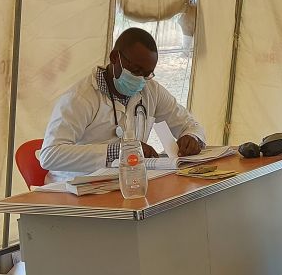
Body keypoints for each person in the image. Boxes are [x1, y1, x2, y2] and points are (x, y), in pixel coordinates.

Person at [39, 27, 207, 182]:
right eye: (136, 70)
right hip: (73, 190)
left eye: (147, 74)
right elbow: (50, 155)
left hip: (126, 185)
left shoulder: (151, 90)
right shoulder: (80, 98)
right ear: (114, 58)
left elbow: (189, 124)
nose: (141, 79)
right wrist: (120, 152)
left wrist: (193, 137)